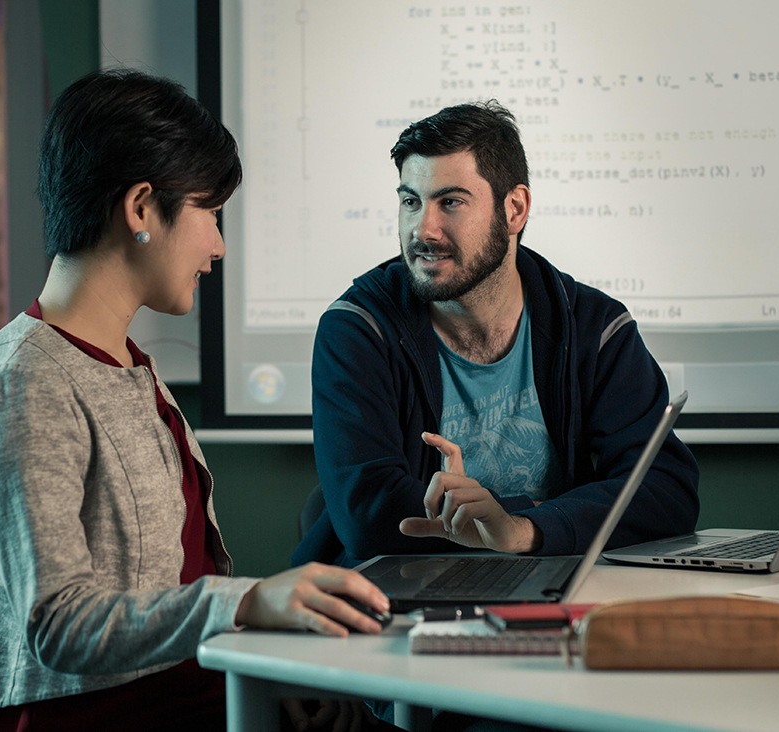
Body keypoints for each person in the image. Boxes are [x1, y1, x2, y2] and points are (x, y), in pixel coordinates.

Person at [0, 69, 391, 732]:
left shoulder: (131, 366)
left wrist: (257, 665)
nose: (218, 246)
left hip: (179, 694)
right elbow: (55, 624)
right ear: (142, 208)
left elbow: (174, 600)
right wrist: (248, 604)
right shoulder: (25, 377)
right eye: (211, 213)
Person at [294, 101, 700, 568]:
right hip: (400, 603)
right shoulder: (357, 330)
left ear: (515, 209)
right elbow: (371, 518)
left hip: (553, 584)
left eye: (450, 202)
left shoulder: (595, 328)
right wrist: (518, 523)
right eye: (411, 201)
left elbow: (666, 491)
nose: (423, 229)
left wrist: (522, 531)